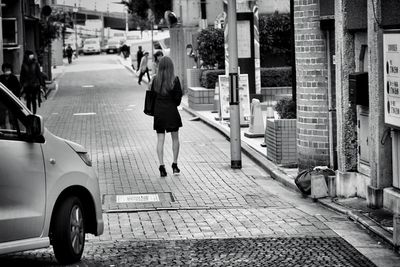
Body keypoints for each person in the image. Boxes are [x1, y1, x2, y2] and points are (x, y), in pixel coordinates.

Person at [151, 56, 183, 177]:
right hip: (171, 113)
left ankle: (161, 166)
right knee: (175, 138)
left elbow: (152, 98)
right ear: (171, 66)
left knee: (160, 140)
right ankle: (174, 165)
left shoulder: (155, 80)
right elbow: (178, 100)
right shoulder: (174, 80)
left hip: (159, 113)